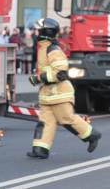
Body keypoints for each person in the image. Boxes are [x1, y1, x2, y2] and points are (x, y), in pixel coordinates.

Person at [27, 18, 102, 159]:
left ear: (45, 31)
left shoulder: (53, 49)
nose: (36, 32)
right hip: (48, 95)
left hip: (60, 94)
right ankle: (40, 149)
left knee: (66, 119)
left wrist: (39, 78)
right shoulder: (43, 48)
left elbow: (61, 73)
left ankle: (92, 135)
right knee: (45, 122)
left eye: (39, 30)